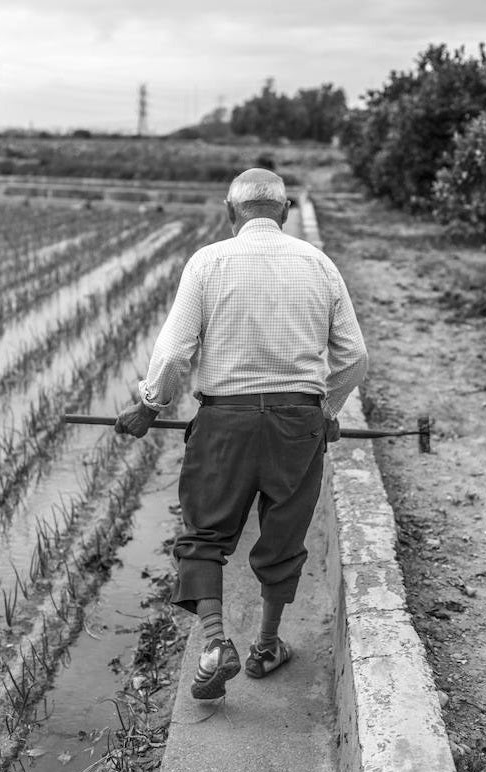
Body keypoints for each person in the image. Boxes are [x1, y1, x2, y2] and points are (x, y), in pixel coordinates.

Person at [115, 168, 368, 700]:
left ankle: (213, 645)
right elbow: (355, 357)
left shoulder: (208, 262)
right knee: (282, 538)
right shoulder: (318, 264)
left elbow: (175, 353)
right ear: (285, 210)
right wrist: (327, 408)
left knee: (204, 534)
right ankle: (266, 646)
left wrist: (148, 408)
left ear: (231, 213)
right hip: (297, 424)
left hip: (223, 423)